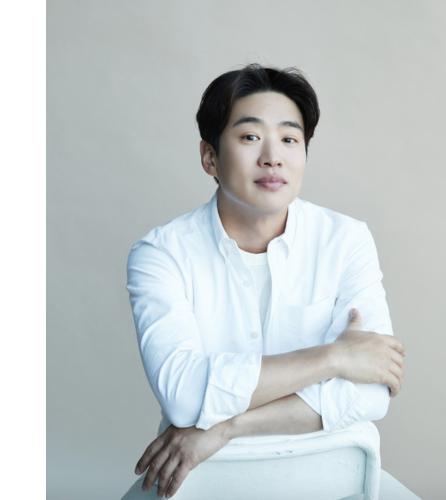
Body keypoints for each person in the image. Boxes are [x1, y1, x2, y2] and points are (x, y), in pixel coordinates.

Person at [125, 63, 406, 499]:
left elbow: (372, 391)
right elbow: (184, 397)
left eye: (290, 139)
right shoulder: (161, 254)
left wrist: (226, 427)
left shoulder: (346, 240)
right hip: (202, 480)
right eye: (250, 137)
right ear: (210, 157)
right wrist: (334, 358)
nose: (273, 156)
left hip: (331, 476)